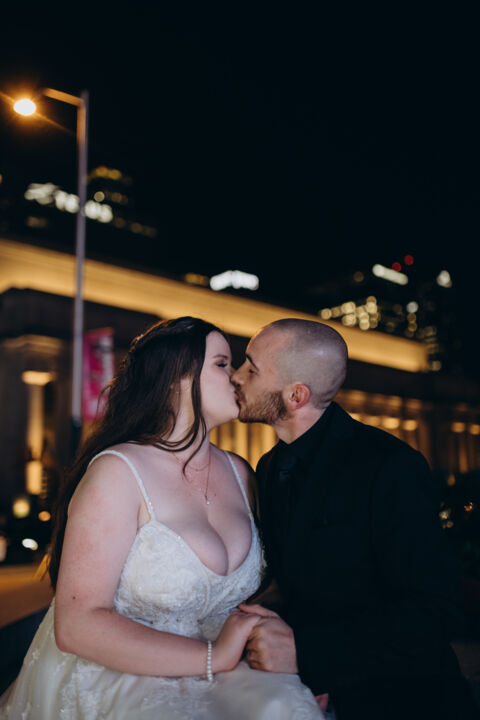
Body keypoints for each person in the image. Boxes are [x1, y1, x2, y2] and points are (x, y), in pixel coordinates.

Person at [0, 317, 322, 719]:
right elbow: (77, 624)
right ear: (175, 379)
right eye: (222, 364)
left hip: (232, 671)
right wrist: (213, 656)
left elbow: (266, 587)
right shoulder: (118, 471)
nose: (238, 377)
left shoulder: (243, 474)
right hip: (122, 674)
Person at [232, 318, 480, 720]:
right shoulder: (269, 466)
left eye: (251, 368)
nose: (236, 376)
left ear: (296, 395)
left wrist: (307, 653)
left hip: (407, 704)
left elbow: (437, 609)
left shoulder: (390, 465)